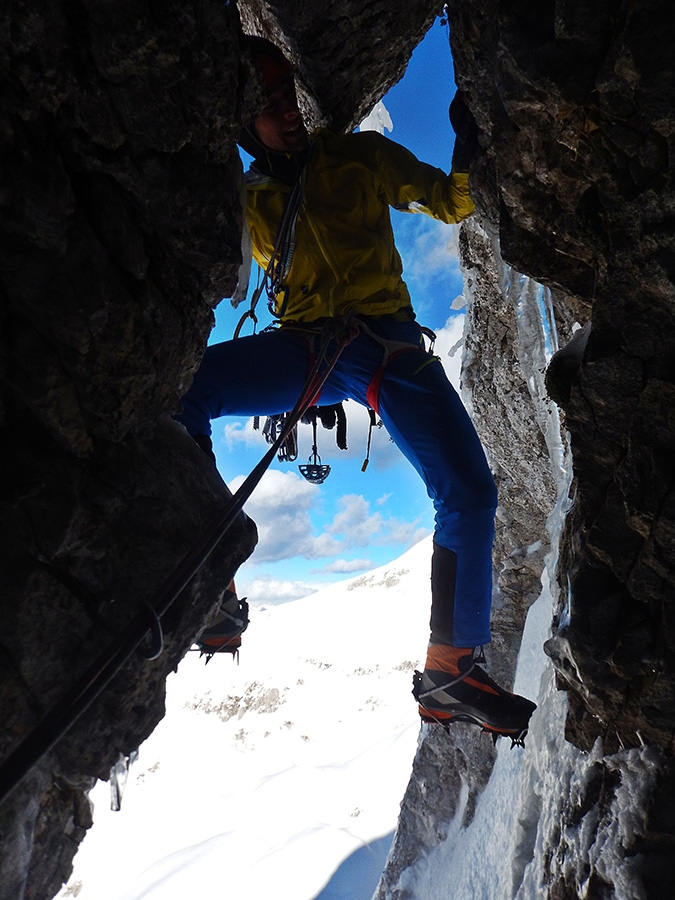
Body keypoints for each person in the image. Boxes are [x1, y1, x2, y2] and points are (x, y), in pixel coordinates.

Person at [177, 36, 536, 740]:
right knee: (182, 391)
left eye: (288, 97)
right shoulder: (246, 201)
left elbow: (450, 202)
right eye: (267, 104)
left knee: (469, 491)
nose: (285, 112)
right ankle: (211, 585)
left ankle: (450, 669)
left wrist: (468, 146)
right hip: (309, 348)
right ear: (242, 124)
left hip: (382, 346)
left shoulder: (358, 159)